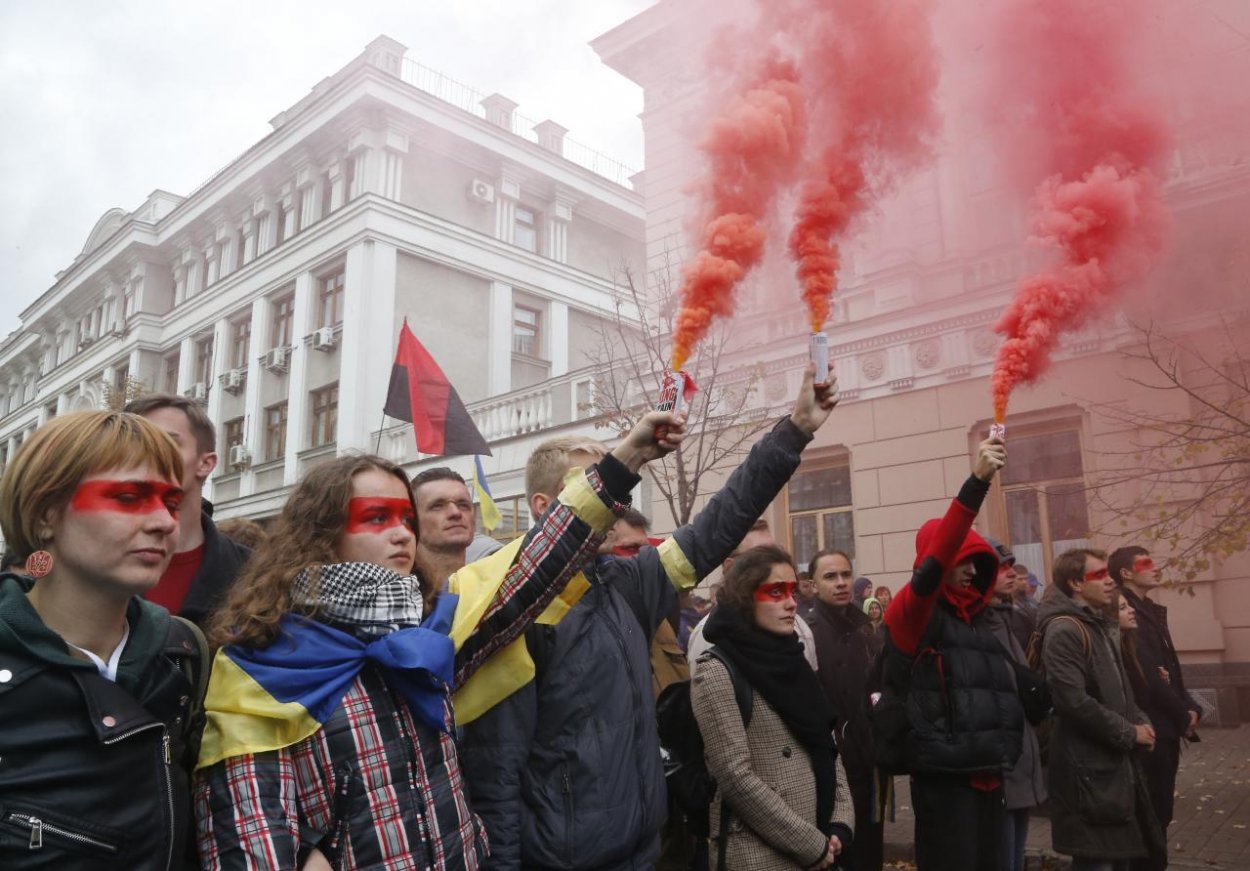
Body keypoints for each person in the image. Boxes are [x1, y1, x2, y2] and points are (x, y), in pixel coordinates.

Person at [193, 410, 683, 870]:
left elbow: (535, 567)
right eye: (376, 517)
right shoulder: (259, 665)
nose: (402, 534)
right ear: (321, 533)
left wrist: (628, 458)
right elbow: (248, 829)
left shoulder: (429, 632)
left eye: (406, 519)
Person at [462, 364, 838, 870]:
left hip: (644, 849)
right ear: (544, 505)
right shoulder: (512, 609)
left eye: (614, 490)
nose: (611, 504)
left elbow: (718, 524)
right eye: (592, 486)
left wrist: (793, 431)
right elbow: (496, 774)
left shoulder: (628, 583)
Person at [0, 411, 204, 869]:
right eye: (129, 497)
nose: (165, 523)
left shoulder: (183, 657)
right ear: (46, 514)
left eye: (172, 502)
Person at [880, 436, 1021, 871]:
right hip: (945, 785)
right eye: (961, 560)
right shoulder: (913, 615)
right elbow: (935, 564)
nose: (971, 570)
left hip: (988, 778)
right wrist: (976, 484)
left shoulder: (977, 624)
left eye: (977, 563)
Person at [692, 545, 855, 870]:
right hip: (761, 853)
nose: (791, 602)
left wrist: (840, 819)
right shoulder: (715, 671)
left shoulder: (793, 657)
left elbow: (826, 742)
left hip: (822, 839)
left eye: (792, 591)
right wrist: (810, 844)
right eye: (776, 592)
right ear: (746, 597)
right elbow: (735, 777)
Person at [1037, 548, 1162, 871]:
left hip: (1110, 769)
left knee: (1118, 860)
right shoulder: (1065, 629)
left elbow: (1120, 690)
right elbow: (1073, 702)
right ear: (1075, 583)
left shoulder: (1098, 623)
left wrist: (1141, 721)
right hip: (1088, 774)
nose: (1109, 581)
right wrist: (1128, 732)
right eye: (1099, 575)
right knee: (1098, 862)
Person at [1109, 546, 1201, 871]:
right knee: (1149, 818)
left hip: (1166, 725)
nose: (1155, 567)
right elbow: (1148, 674)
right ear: (1125, 573)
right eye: (1145, 563)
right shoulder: (1124, 611)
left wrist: (1190, 707)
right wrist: (1181, 713)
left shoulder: (1147, 610)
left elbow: (1169, 670)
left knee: (1160, 813)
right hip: (1151, 728)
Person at [125, 394, 250, 625]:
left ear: (205, 463)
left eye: (166, 443)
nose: (146, 454)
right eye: (135, 443)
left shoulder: (252, 573)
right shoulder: (93, 566)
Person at [808, 548, 889, 871]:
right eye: (830, 576)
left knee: (873, 850)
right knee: (846, 853)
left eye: (845, 574)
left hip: (871, 761)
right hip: (836, 768)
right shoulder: (808, 633)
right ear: (813, 585)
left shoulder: (863, 631)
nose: (841, 583)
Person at [982, 544, 1047, 871]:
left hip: (1020, 761)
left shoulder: (1006, 618)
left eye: (1012, 566)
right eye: (999, 568)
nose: (1011, 574)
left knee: (1015, 858)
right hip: (1000, 768)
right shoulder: (977, 627)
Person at [686, 519, 820, 673]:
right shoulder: (708, 638)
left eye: (774, 553)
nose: (773, 564)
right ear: (730, 567)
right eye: (759, 557)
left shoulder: (799, 628)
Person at [411, 466, 477, 586]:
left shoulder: (493, 589)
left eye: (463, 505)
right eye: (437, 506)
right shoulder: (394, 596)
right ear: (413, 521)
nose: (455, 513)